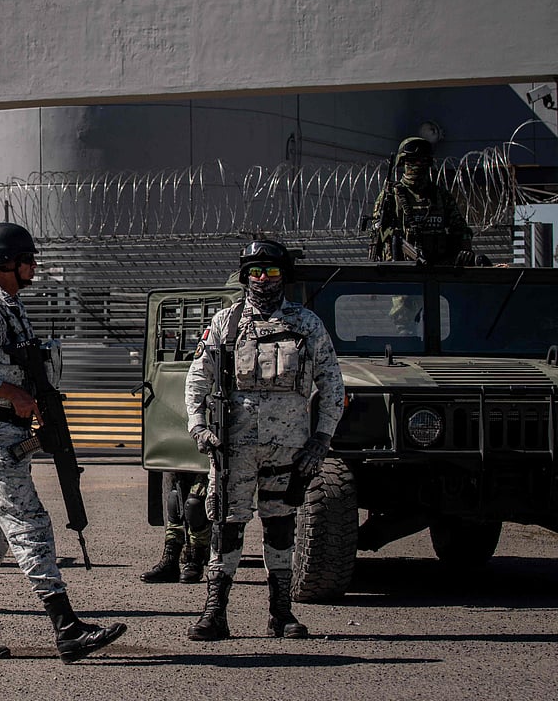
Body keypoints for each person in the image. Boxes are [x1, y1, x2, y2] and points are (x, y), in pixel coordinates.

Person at [0, 222, 126, 664]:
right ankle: (67, 627)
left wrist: (35, 401)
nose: (33, 267)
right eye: (27, 260)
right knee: (30, 524)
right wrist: (14, 395)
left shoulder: (12, 310)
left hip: (10, 434)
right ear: (6, 263)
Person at [183, 239, 345, 641]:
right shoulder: (226, 323)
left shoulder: (306, 325)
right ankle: (214, 613)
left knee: (280, 527)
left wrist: (322, 439)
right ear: (244, 276)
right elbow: (197, 379)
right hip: (234, 448)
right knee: (227, 526)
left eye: (271, 272)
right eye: (255, 272)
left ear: (283, 276)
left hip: (289, 449)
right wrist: (198, 425)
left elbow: (332, 385)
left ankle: (281, 614)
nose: (262, 280)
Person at [368, 136, 474, 265]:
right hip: (400, 269)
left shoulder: (440, 196)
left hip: (438, 268)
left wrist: (465, 249)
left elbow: (461, 229)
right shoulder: (391, 196)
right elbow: (377, 232)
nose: (417, 166)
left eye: (422, 161)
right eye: (412, 161)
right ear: (403, 162)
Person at [140, 470, 211, 584]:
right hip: (180, 457)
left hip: (207, 459)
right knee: (175, 499)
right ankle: (170, 560)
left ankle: (195, 561)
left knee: (195, 504)